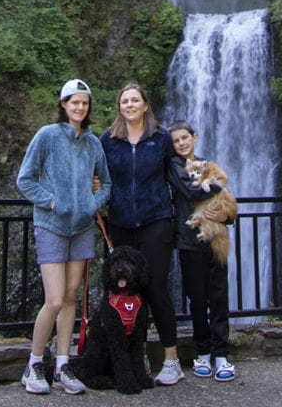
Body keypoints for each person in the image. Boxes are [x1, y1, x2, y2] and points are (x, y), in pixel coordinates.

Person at [17, 79, 112, 395]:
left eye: (84, 103)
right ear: (63, 104)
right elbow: (25, 180)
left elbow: (107, 185)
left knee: (71, 296)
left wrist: (90, 204)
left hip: (82, 229)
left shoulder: (93, 142)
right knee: (55, 299)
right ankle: (33, 363)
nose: (80, 107)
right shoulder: (47, 136)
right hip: (51, 226)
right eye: (74, 102)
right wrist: (53, 201)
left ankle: (62, 364)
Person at [99, 82, 183, 386]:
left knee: (156, 288)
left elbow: (181, 172)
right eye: (125, 101)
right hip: (120, 222)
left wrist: (211, 196)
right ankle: (139, 357)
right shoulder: (108, 140)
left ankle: (171, 359)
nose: (130, 105)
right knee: (125, 292)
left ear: (146, 105)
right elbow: (94, 172)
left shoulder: (161, 139)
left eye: (135, 100)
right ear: (119, 106)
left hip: (156, 220)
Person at [167, 120, 236, 383]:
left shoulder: (207, 164)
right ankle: (202, 353)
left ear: (194, 137)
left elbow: (227, 201)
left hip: (215, 237)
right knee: (197, 299)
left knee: (219, 296)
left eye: (185, 138)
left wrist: (227, 216)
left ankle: (221, 355)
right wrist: (218, 185)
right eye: (176, 141)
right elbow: (191, 191)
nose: (182, 143)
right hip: (188, 241)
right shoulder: (174, 167)